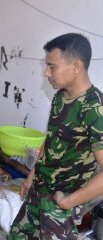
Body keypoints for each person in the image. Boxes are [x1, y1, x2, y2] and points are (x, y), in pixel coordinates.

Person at [8, 33, 103, 239]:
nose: (46, 73)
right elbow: (50, 140)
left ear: (76, 67)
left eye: (52, 66)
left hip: (61, 203)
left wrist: (67, 202)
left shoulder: (95, 109)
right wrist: (31, 177)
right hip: (38, 190)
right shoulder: (61, 96)